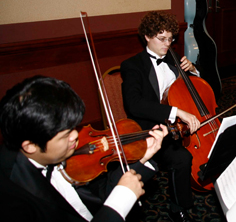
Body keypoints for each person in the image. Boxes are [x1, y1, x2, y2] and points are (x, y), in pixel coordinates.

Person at [0, 76, 167, 222]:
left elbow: (99, 194)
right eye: (65, 135)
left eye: (74, 127)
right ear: (30, 146)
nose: (76, 136)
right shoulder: (11, 199)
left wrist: (143, 157)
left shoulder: (58, 155)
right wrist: (120, 202)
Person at [121, 11, 201, 222]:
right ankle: (175, 210)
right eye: (162, 39)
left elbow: (195, 91)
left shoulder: (175, 61)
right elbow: (134, 104)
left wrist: (193, 71)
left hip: (176, 128)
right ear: (147, 36)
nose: (168, 44)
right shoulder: (132, 65)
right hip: (148, 132)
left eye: (171, 39)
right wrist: (176, 112)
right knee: (181, 158)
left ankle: (181, 205)